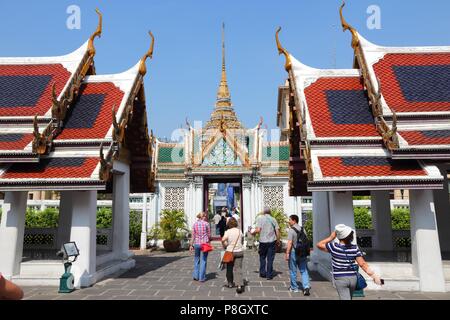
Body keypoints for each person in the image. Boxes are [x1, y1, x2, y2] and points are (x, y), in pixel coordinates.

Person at [316, 224, 384, 300]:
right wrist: (374, 276)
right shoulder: (354, 248)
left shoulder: (334, 247)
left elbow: (319, 245)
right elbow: (362, 264)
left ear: (339, 236)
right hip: (353, 279)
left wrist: (331, 237)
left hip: (340, 279)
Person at [251, 208, 280, 280]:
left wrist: (253, 232)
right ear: (270, 212)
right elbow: (277, 231)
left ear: (264, 212)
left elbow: (258, 230)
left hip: (263, 241)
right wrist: (278, 240)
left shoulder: (260, 219)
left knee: (262, 257)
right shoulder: (273, 219)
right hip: (272, 241)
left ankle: (262, 273)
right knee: (270, 258)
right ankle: (269, 275)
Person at [285, 215, 310, 295]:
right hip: (303, 252)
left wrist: (287, 253)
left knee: (293, 270)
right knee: (304, 270)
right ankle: (306, 287)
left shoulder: (291, 230)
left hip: (293, 252)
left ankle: (294, 288)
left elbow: (289, 243)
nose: (289, 221)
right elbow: (306, 240)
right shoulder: (303, 229)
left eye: (290, 220)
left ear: (294, 220)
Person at [221, 218, 244, 294]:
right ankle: (239, 285)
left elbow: (223, 240)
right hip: (239, 251)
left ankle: (230, 283)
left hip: (230, 251)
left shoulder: (228, 231)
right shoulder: (239, 231)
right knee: (238, 269)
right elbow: (242, 240)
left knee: (229, 268)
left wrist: (225, 245)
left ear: (229, 224)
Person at [190, 212, 211, 282]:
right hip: (204, 244)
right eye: (205, 216)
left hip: (197, 244)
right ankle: (201, 277)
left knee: (196, 260)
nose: (205, 217)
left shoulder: (194, 224)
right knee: (204, 260)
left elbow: (193, 236)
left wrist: (191, 245)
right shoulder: (206, 224)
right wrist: (209, 241)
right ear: (202, 217)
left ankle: (196, 276)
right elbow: (209, 235)